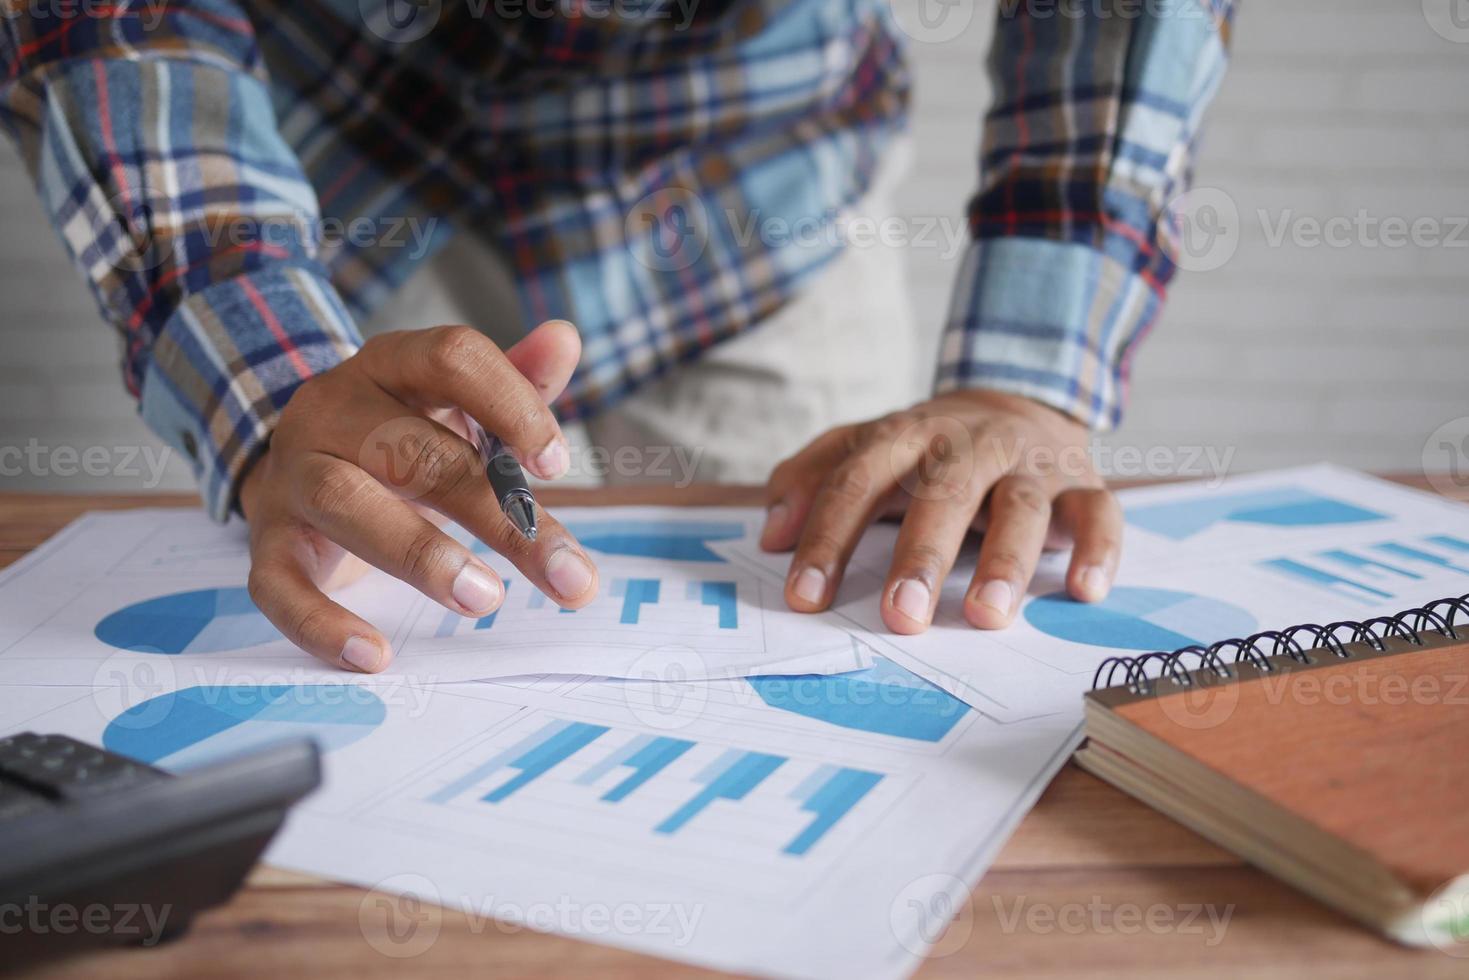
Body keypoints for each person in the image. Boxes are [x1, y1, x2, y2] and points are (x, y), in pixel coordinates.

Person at [0, 0, 1233, 672]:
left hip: (750, 199)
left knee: (843, 592)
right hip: (337, 189)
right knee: (356, 562)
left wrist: (1024, 369)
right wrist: (268, 384)